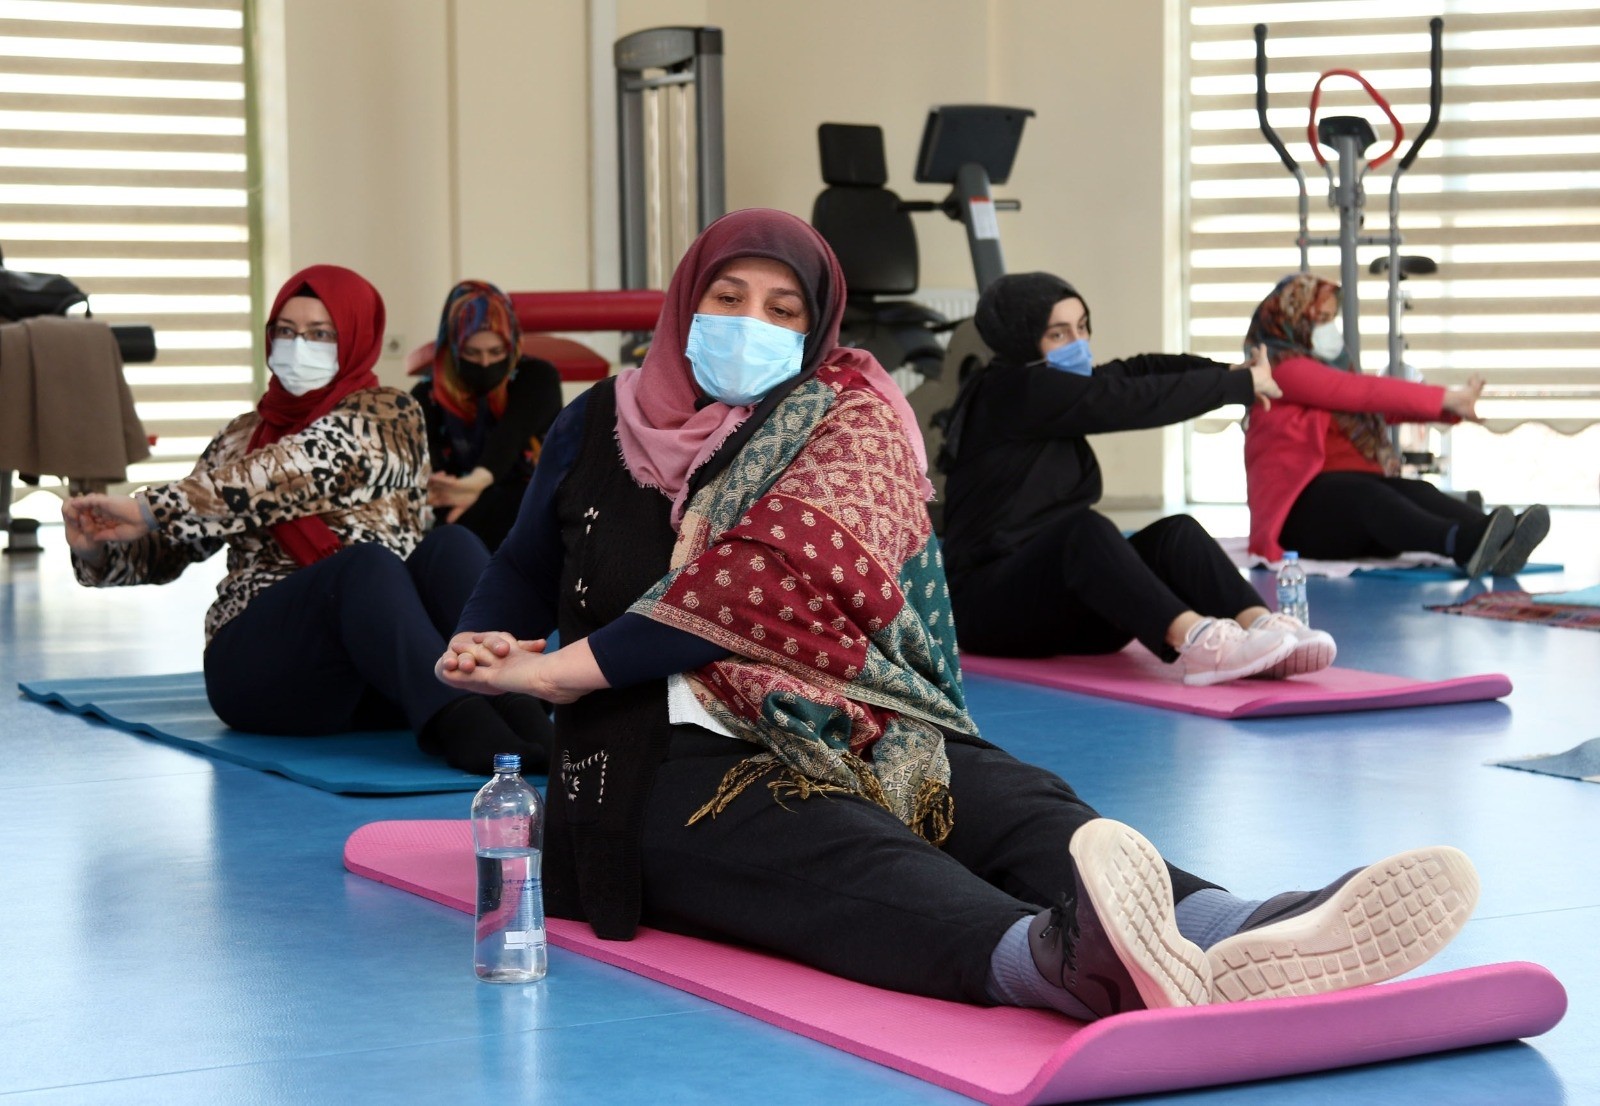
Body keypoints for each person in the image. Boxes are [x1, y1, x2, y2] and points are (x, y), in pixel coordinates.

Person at [431, 209, 1478, 1021]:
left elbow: (752, 580)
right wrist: (483, 634)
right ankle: (1061, 961)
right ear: (683, 303)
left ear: (817, 326)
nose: (750, 324)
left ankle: (1231, 923)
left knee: (1004, 795)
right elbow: (522, 561)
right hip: (653, 752)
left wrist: (559, 669)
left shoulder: (841, 419)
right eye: (727, 295)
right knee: (837, 846)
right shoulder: (593, 424)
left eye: (782, 308)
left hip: (836, 706)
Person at [62, 264, 551, 774]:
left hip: (384, 662)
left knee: (450, 545)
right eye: (287, 333)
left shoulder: (390, 415)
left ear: (356, 339)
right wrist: (98, 547)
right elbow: (168, 546)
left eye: (321, 334)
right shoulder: (240, 437)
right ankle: (465, 724)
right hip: (267, 671)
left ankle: (520, 704)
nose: (300, 347)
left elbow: (305, 467)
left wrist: (152, 506)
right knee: (364, 567)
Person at [939, 272, 1335, 686]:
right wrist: (1236, 385)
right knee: (1084, 530)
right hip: (990, 612)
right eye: (1059, 334)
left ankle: (1265, 629)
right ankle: (1201, 644)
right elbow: (1128, 402)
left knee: (1175, 533)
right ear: (1020, 339)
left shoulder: (1053, 387)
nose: (1077, 343)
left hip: (1065, 608)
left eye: (1082, 327)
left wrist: (1231, 372)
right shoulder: (1011, 391)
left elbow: (1136, 372)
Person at [1243, 273, 1549, 578]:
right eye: (1320, 318)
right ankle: (1463, 543)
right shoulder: (1280, 370)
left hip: (1347, 514)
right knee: (1368, 496)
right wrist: (1446, 399)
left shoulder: (1323, 369)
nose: (1328, 328)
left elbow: (1375, 409)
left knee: (1416, 491)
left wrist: (1448, 410)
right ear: (1292, 317)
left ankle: (1498, 535)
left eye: (1330, 319)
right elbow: (1359, 393)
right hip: (1299, 520)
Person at [413, 279, 563, 551]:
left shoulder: (536, 378)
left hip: (532, 512)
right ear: (454, 348)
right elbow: (432, 472)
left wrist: (474, 484)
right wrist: (454, 489)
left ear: (512, 345)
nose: (485, 363)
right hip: (459, 521)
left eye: (496, 352)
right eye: (472, 352)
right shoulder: (427, 396)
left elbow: (510, 437)